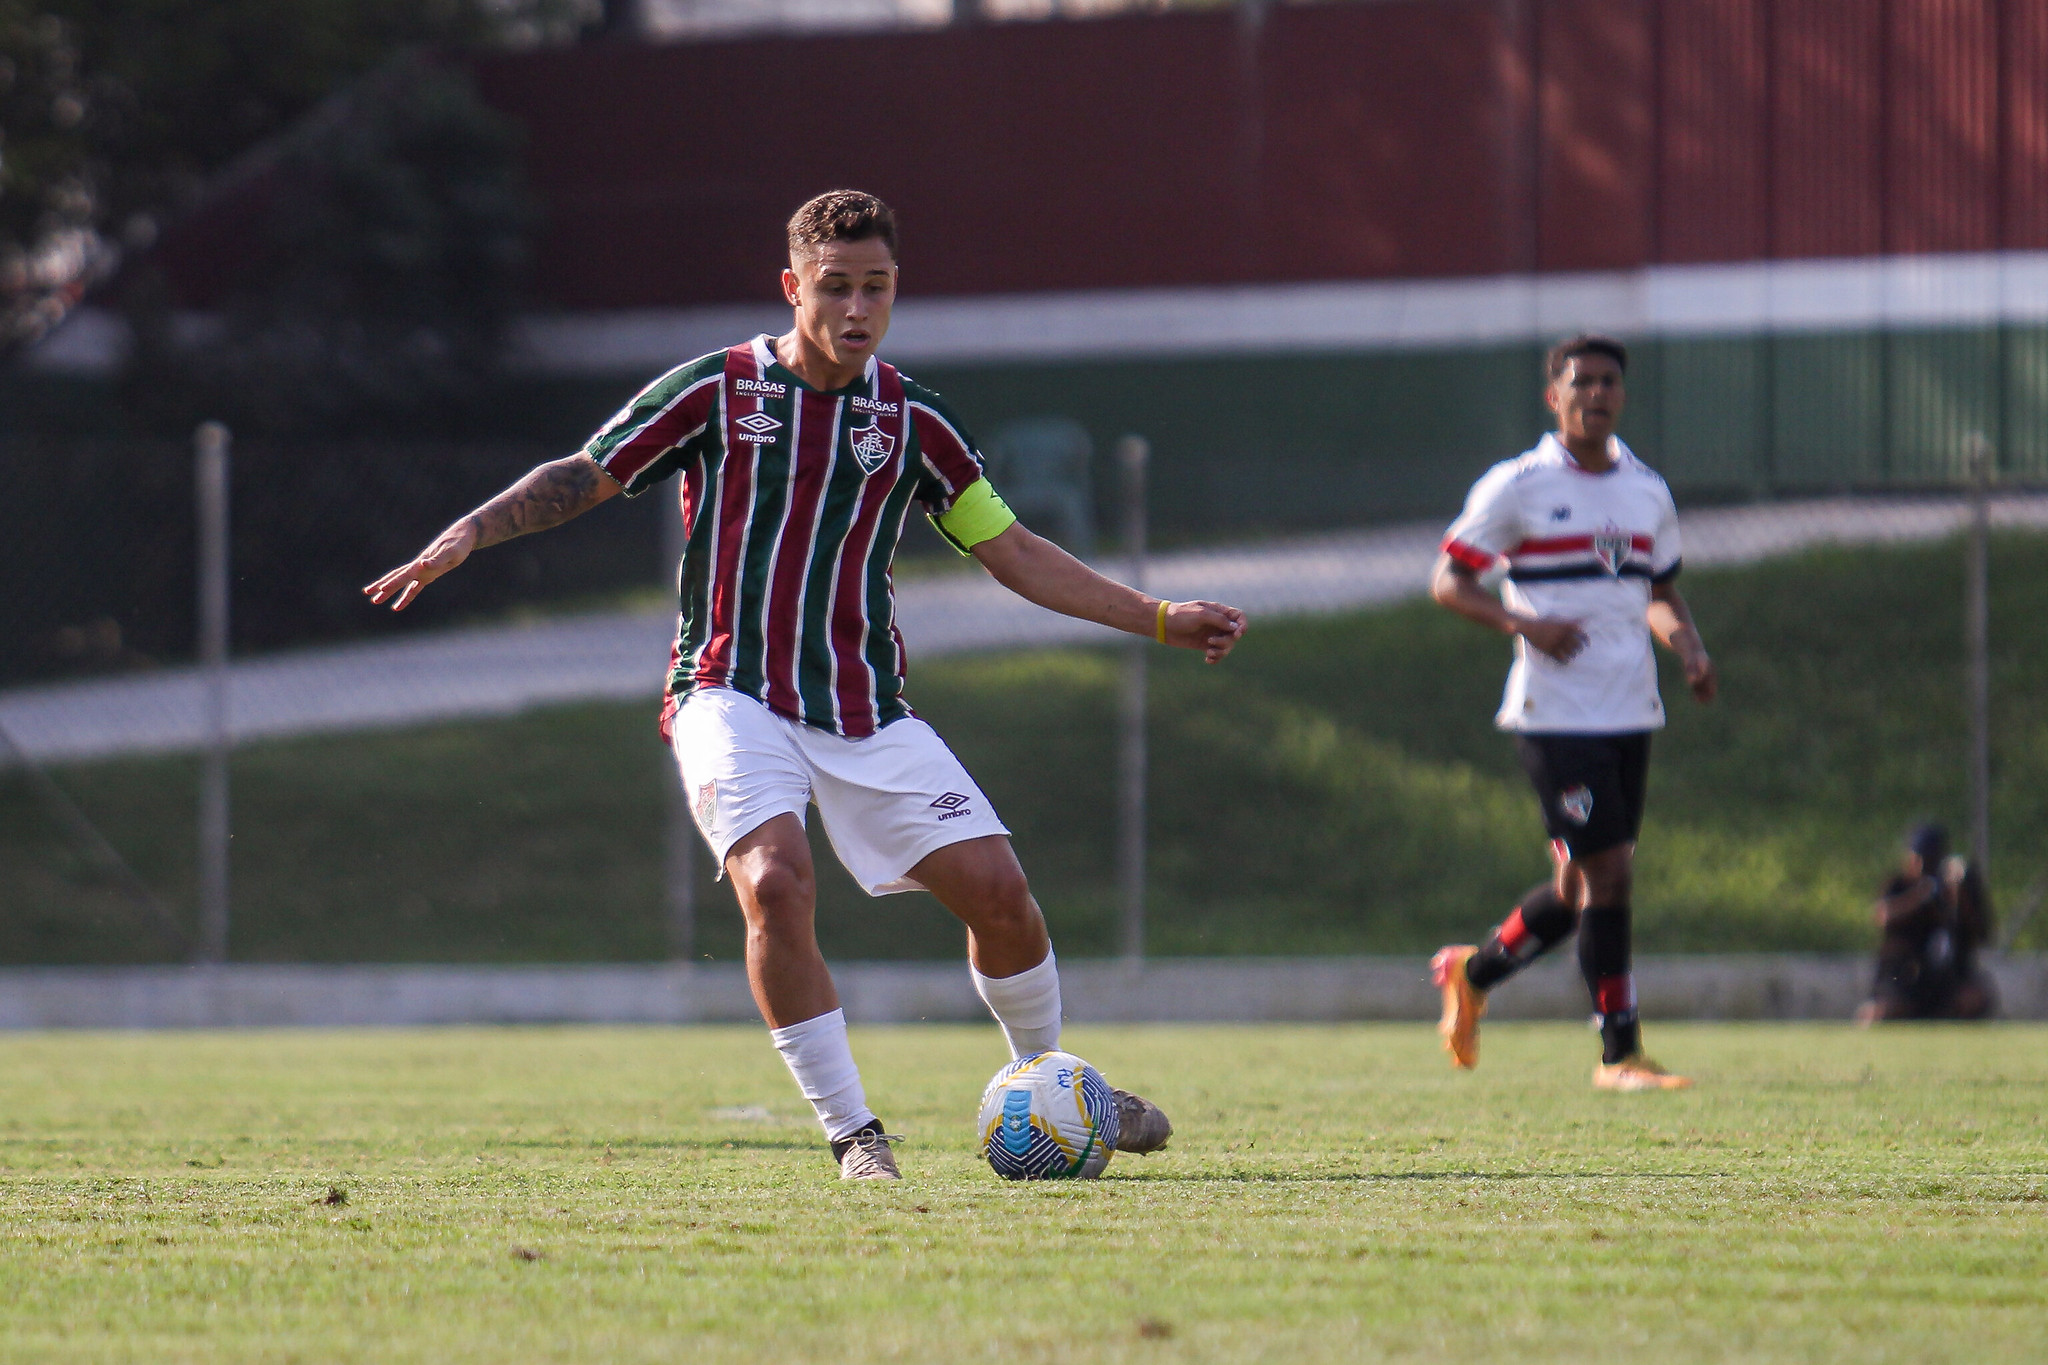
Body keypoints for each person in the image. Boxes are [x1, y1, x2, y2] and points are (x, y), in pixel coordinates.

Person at [365, 191, 1247, 1179]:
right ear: (793, 288)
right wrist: (470, 532)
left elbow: (1012, 551)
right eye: (834, 287)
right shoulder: (716, 392)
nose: (856, 308)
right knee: (776, 885)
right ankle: (853, 1137)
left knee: (1001, 897)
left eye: (875, 287)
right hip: (726, 692)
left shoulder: (915, 422)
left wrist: (1159, 617)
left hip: (864, 709)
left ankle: (1053, 1087)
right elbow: (587, 471)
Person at [1423, 334, 1717, 1091]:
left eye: (1609, 381)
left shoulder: (1646, 489)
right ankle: (1620, 1053)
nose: (1596, 393)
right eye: (1580, 380)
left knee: (1579, 888)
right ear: (1553, 396)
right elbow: (1450, 582)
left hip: (1630, 710)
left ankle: (1475, 970)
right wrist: (1525, 625)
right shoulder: (1517, 485)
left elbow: (1658, 590)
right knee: (1611, 872)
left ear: (1623, 394)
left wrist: (1688, 647)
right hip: (1554, 715)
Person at [1856, 823, 1997, 1023]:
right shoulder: (1900, 885)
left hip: (1947, 977)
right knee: (1879, 1013)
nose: (1923, 867)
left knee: (1974, 998)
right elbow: (1883, 916)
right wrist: (1923, 895)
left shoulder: (1957, 888)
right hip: (1907, 976)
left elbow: (1984, 935)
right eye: (1919, 859)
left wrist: (1960, 896)